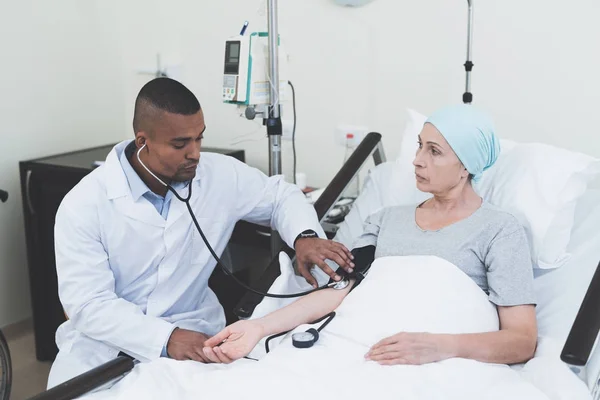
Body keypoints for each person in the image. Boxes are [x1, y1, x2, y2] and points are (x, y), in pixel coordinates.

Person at [47, 77, 355, 388]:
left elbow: (280, 196)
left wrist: (305, 237)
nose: (194, 153)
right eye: (180, 144)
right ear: (143, 142)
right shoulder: (84, 204)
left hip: (197, 333)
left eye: (199, 138)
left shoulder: (216, 174)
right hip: (103, 349)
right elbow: (87, 305)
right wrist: (166, 338)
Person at [202, 104, 538, 366]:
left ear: (467, 165)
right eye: (420, 146)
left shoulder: (499, 229)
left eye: (434, 152)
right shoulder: (385, 220)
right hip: (356, 345)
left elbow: (521, 340)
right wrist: (258, 328)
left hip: (440, 360)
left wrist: (440, 346)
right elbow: (338, 291)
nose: (417, 161)